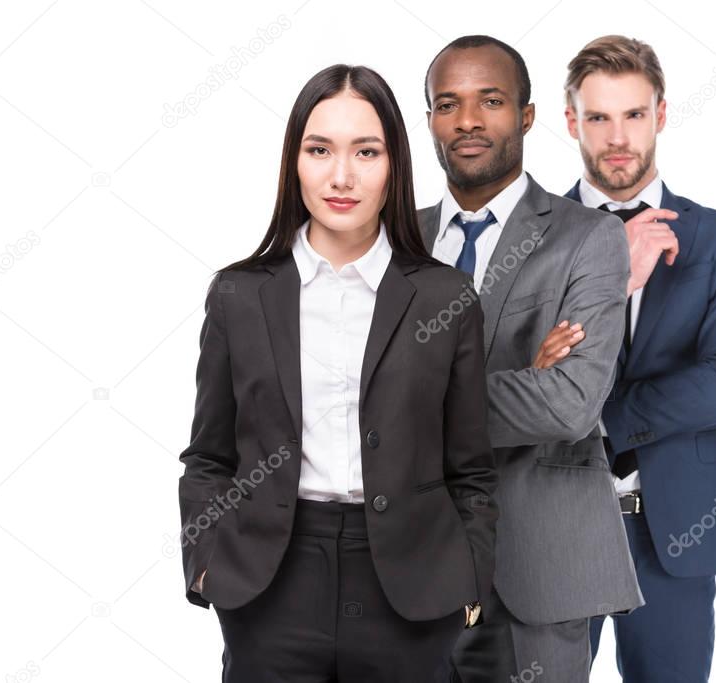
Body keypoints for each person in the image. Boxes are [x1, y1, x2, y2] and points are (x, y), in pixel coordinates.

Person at [177, 63, 498, 682]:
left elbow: (471, 470)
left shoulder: (444, 297)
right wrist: (206, 564)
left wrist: (469, 582)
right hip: (270, 585)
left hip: (411, 589)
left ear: (394, 165)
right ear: (294, 161)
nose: (341, 175)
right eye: (320, 149)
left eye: (366, 151)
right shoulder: (240, 294)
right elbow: (209, 456)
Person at [418, 35, 643, 683]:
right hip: (410, 571)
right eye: (447, 103)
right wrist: (522, 378)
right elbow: (343, 388)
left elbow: (571, 402)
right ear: (430, 119)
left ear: (525, 114)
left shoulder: (587, 237)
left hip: (537, 572)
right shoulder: (394, 241)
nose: (466, 120)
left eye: (490, 100)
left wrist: (411, 400)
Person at [561, 35, 716, 682]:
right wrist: (609, 273)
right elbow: (508, 365)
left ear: (661, 114)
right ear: (571, 122)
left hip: (675, 523)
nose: (617, 136)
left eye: (633, 114)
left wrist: (603, 419)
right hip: (551, 521)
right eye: (598, 117)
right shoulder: (533, 237)